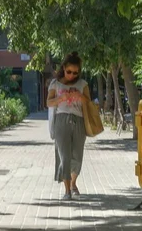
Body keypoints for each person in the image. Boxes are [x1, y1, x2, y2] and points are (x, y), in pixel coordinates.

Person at [46, 52, 91, 201]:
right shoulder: (55, 84)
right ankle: (67, 190)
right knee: (64, 156)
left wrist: (80, 96)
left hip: (79, 121)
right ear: (64, 68)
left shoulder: (83, 84)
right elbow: (48, 102)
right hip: (61, 120)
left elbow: (89, 103)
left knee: (77, 156)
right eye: (69, 71)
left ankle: (73, 183)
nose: (72, 75)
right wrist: (61, 98)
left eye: (75, 72)